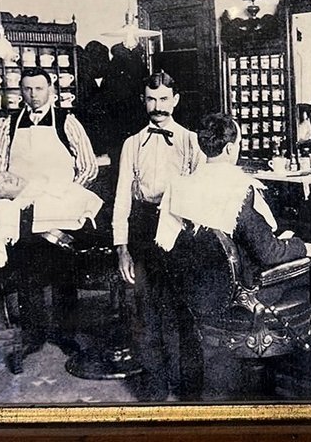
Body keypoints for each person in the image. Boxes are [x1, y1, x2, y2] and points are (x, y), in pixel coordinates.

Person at [154, 113, 311, 399]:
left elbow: (170, 244)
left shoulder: (180, 186)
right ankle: (303, 383)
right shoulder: (239, 188)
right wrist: (303, 248)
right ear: (231, 148)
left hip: (197, 297)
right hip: (243, 299)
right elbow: (269, 252)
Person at [0, 66, 99, 372]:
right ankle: (33, 335)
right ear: (21, 91)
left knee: (64, 275)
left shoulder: (66, 121)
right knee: (28, 277)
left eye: (39, 88)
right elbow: (0, 169)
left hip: (59, 211)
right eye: (27, 89)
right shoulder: (11, 124)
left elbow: (88, 167)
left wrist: (67, 196)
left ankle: (66, 334)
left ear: (51, 90)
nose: (33, 94)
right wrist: (13, 196)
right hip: (24, 211)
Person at [112, 70, 203, 401]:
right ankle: (155, 385)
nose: (157, 106)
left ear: (175, 100)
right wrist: (121, 248)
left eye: (164, 99)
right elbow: (122, 197)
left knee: (184, 311)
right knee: (146, 310)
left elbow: (202, 195)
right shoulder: (132, 144)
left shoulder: (192, 141)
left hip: (180, 228)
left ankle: (190, 387)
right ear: (143, 101)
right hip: (143, 228)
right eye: (151, 99)